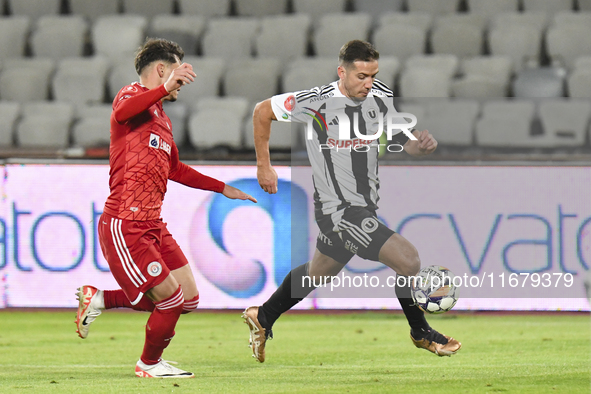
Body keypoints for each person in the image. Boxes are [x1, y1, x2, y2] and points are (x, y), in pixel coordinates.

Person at [242, 40, 461, 363]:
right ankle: (421, 331)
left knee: (318, 273)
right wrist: (264, 165)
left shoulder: (380, 95)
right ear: (341, 72)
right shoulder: (315, 101)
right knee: (409, 260)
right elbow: (262, 111)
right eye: (361, 76)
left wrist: (419, 146)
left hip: (364, 206)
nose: (368, 83)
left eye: (373, 75)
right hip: (338, 211)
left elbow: (401, 139)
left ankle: (263, 315)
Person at [75, 38, 257, 378]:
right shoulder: (130, 96)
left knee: (187, 300)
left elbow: (175, 169)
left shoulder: (161, 118)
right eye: (175, 72)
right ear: (162, 70)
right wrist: (165, 87)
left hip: (153, 225)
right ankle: (148, 364)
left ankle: (99, 299)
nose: (180, 84)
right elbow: (121, 113)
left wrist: (223, 188)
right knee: (169, 302)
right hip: (125, 223)